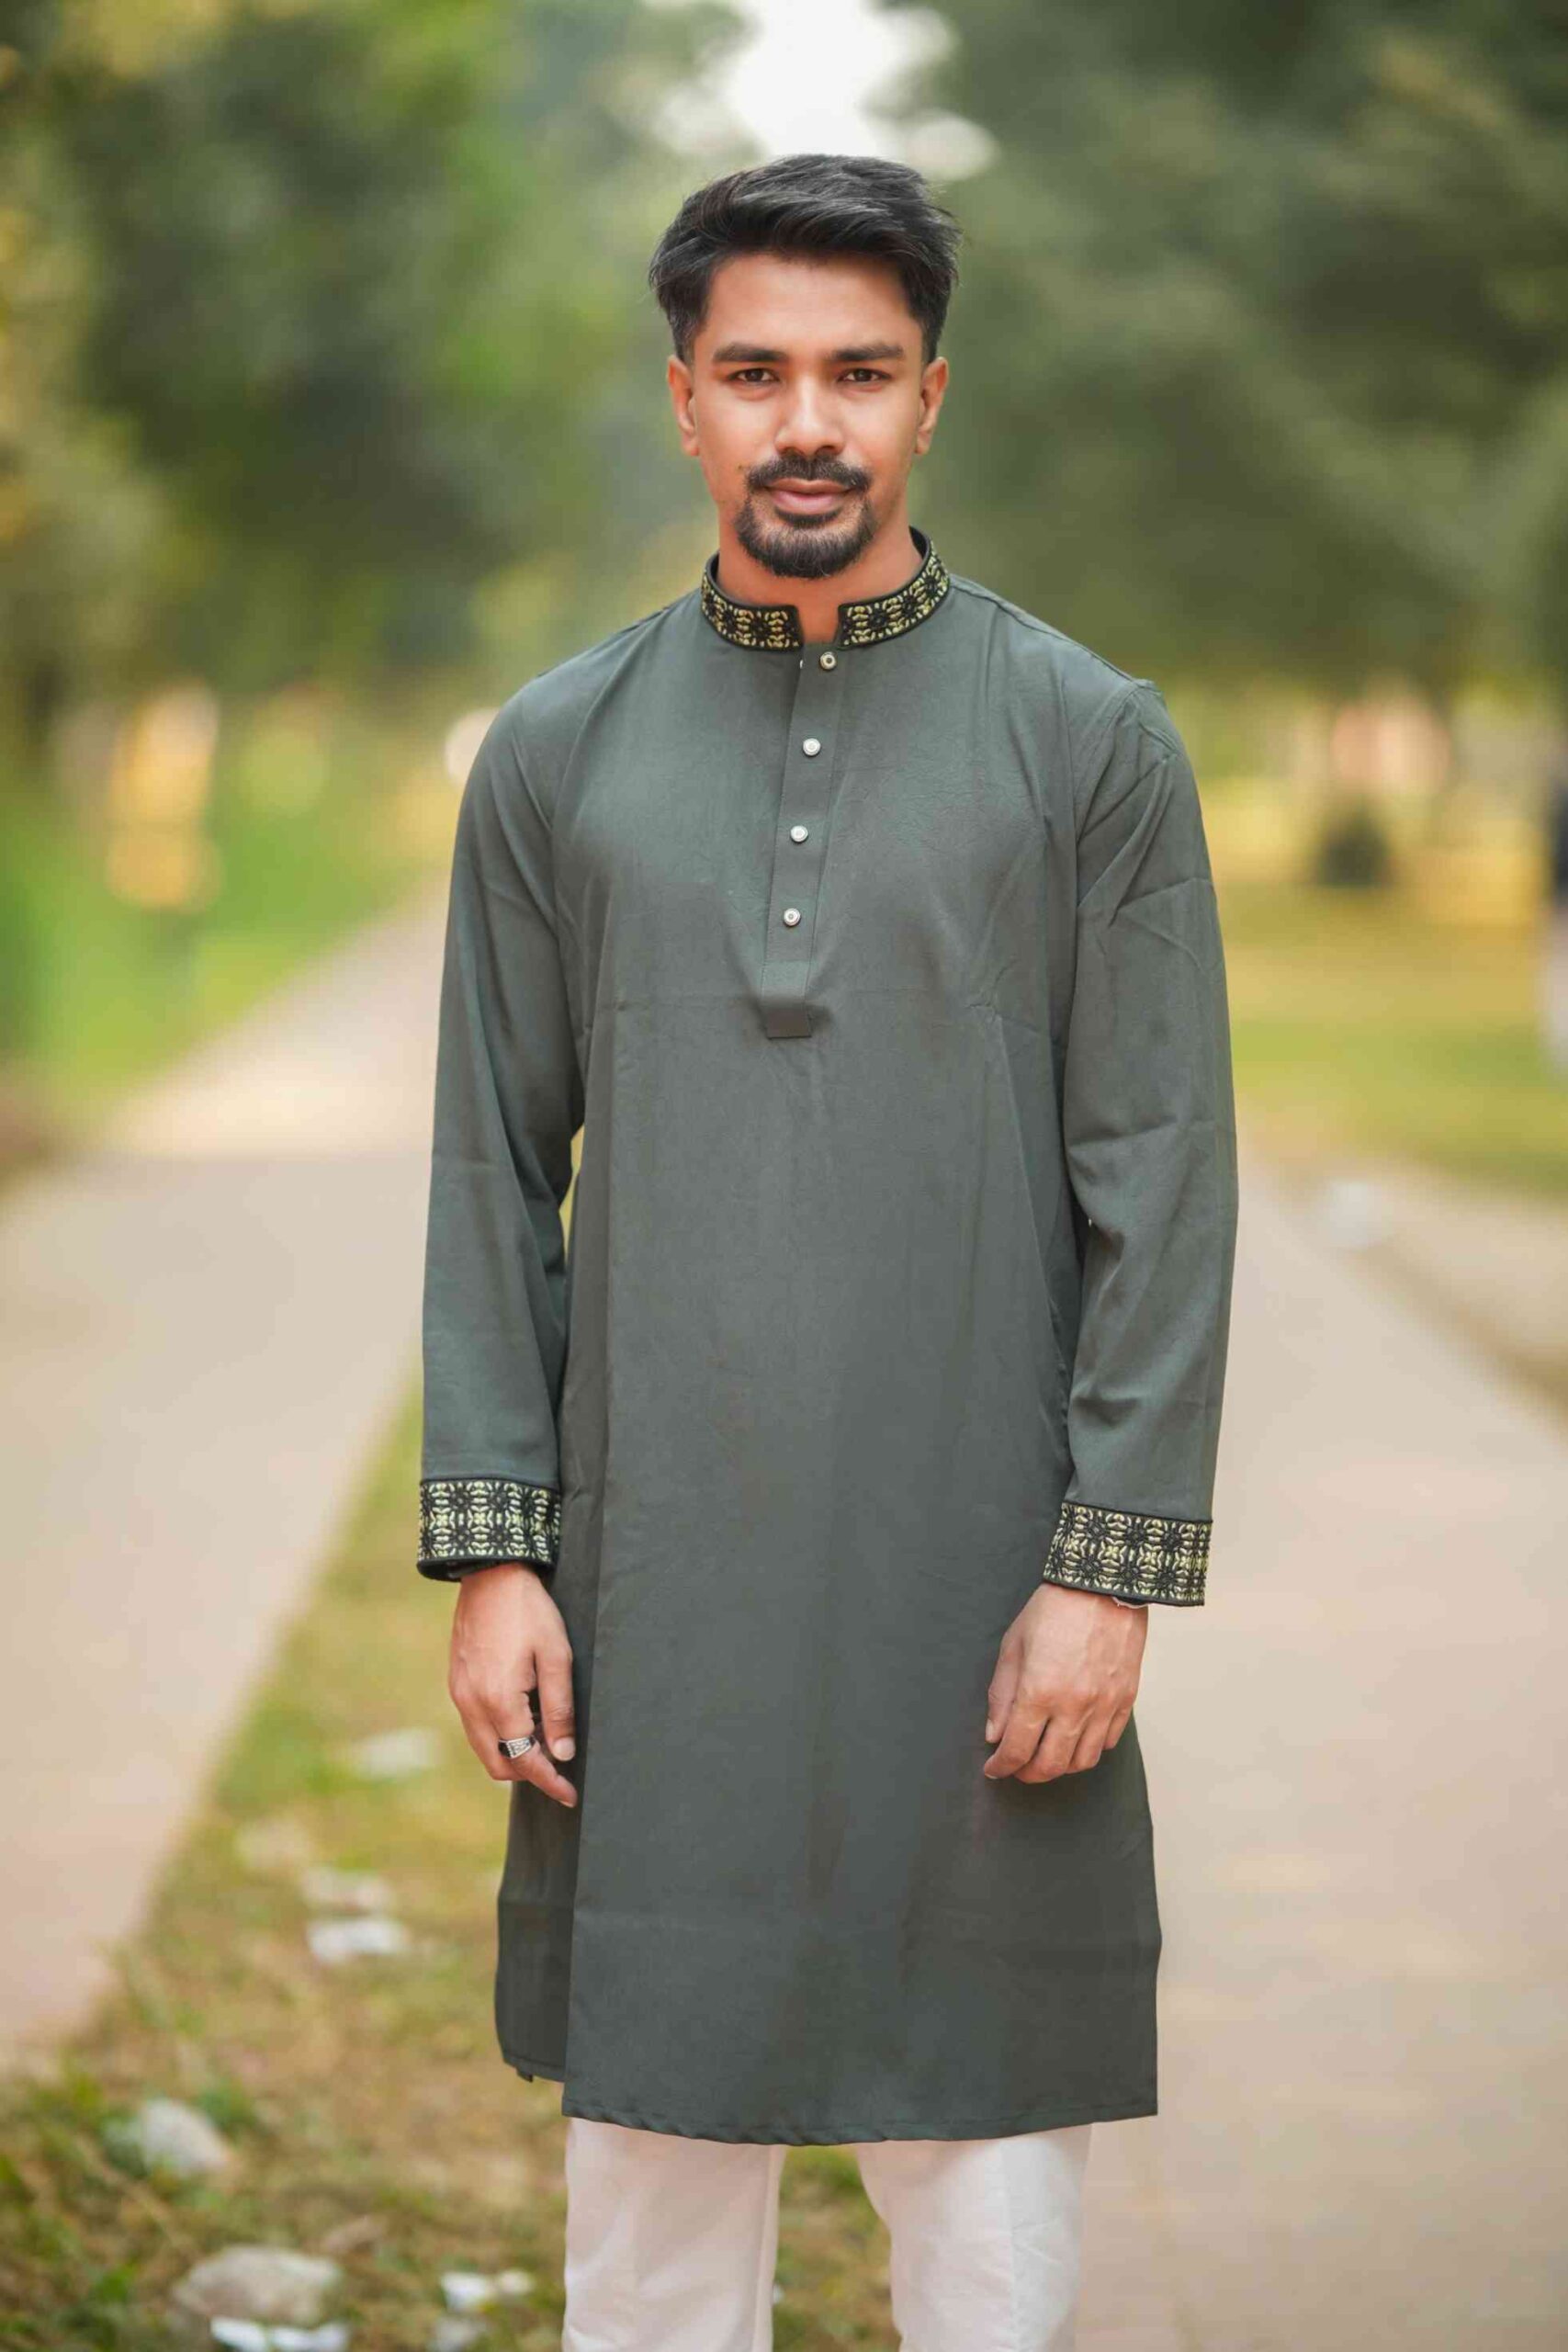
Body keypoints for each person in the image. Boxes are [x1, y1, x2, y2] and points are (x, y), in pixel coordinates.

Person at [417, 152, 1238, 2352]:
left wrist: (1106, 1569)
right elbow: (489, 1166)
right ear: (683, 395)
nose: (808, 422)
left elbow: (1162, 1172)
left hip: (976, 1594)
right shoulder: (559, 751)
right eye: (757, 371)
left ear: (929, 398)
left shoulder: (1085, 741)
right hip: (649, 1591)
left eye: (858, 373)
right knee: (651, 2212)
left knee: (983, 2213)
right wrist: (497, 1552)